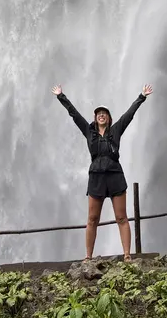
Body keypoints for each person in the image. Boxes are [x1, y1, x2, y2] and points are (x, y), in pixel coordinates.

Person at [52, 82, 153, 262]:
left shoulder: (116, 130)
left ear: (109, 117)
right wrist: (61, 96)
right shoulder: (89, 132)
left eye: (104, 113)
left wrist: (141, 97)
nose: (101, 115)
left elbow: (129, 114)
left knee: (121, 217)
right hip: (97, 177)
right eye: (99, 113)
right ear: (95, 117)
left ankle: (127, 255)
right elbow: (74, 114)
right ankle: (88, 256)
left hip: (114, 175)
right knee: (92, 218)